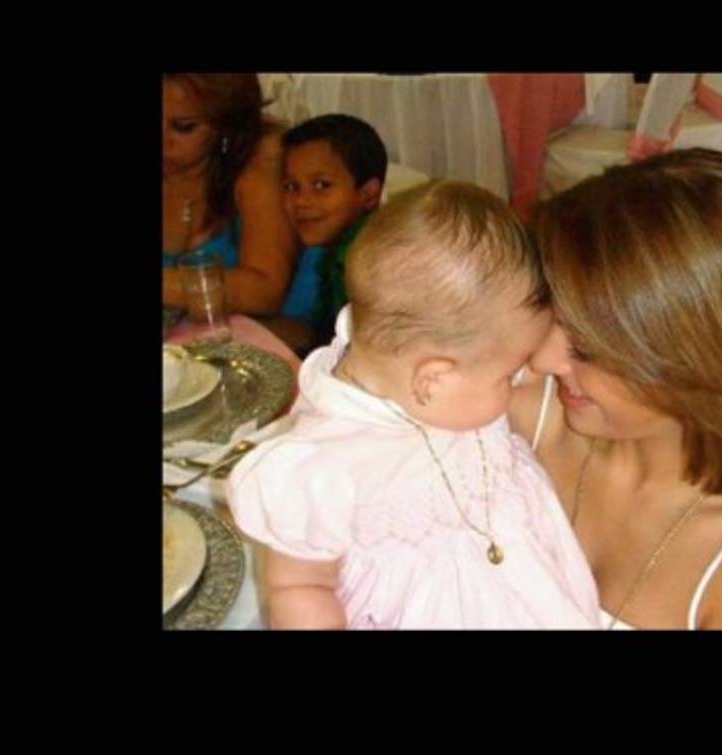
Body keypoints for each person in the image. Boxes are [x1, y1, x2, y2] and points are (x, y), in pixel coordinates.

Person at [227, 181, 600, 629]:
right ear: (433, 379)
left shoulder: (416, 360)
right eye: (510, 373)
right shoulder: (322, 468)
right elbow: (298, 586)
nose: (527, 375)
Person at [510, 148, 722, 629]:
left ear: (701, 358)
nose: (542, 359)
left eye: (587, 348)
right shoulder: (530, 409)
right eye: (553, 317)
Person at [162, 74, 297, 318]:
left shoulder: (261, 165)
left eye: (183, 127)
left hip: (271, 341)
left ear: (226, 125)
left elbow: (264, 292)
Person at [278, 114, 387, 347]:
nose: (300, 201)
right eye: (291, 186)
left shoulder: (361, 261)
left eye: (321, 185)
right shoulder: (329, 247)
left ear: (368, 194)